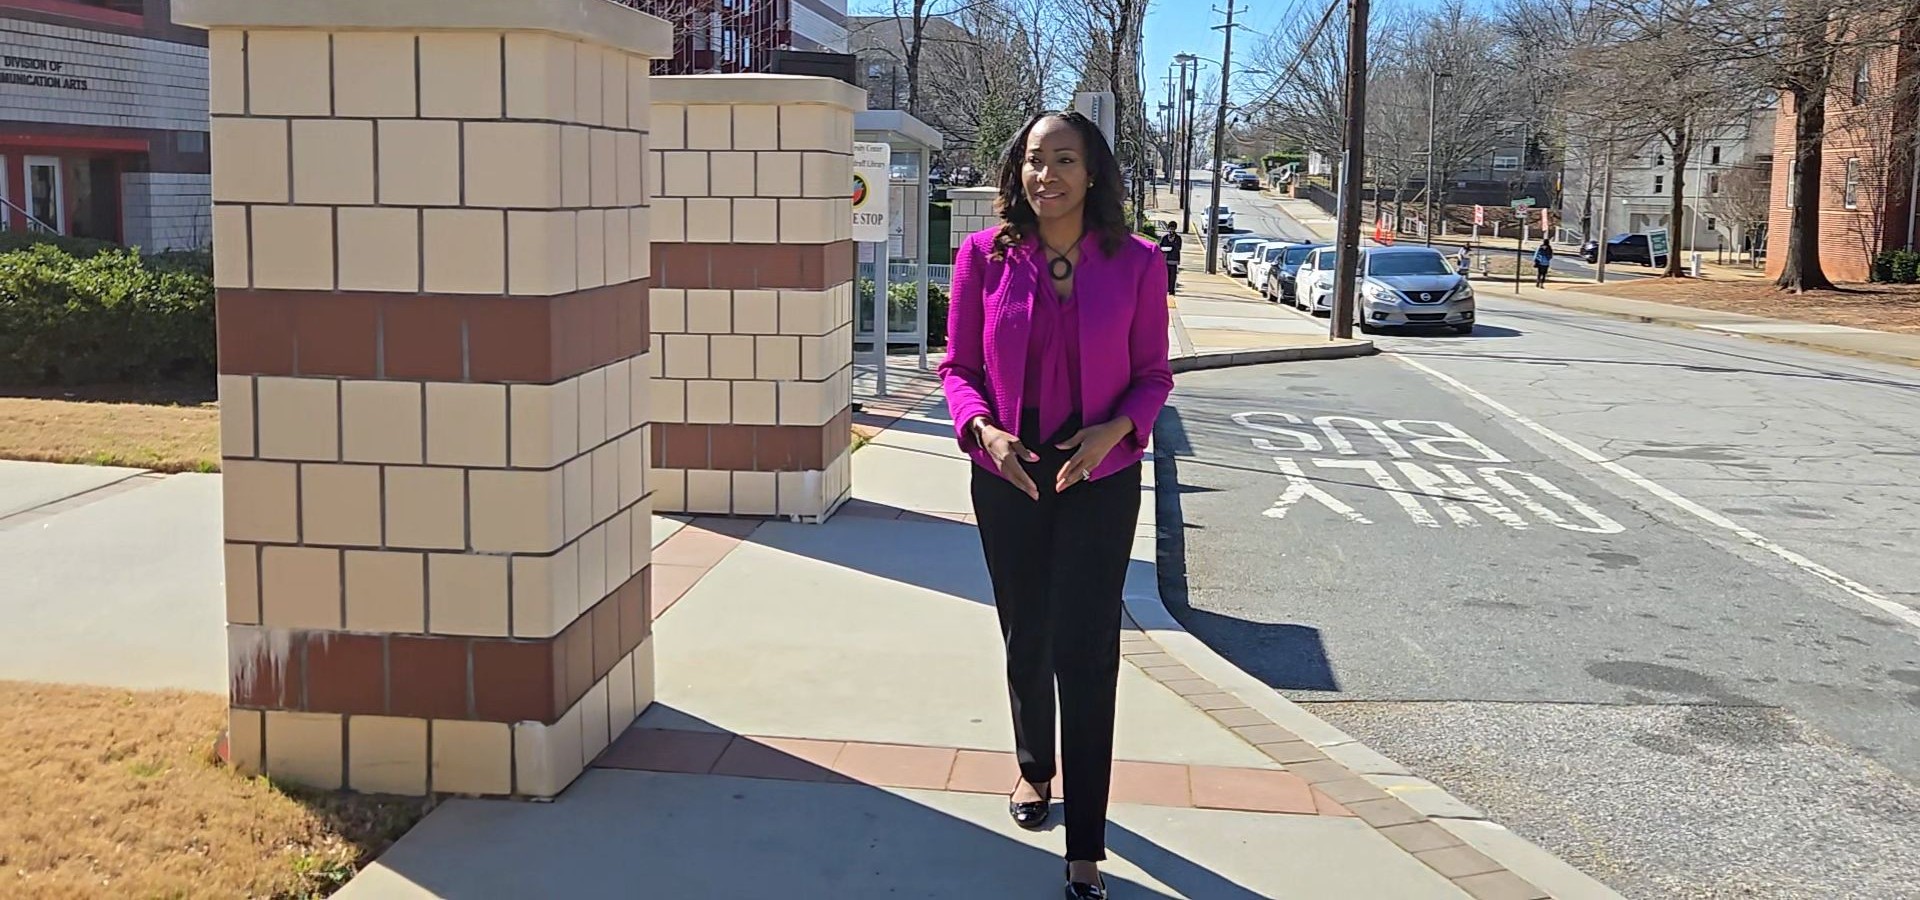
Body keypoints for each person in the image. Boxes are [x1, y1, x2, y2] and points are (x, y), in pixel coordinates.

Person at [940, 110, 1173, 900]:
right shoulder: (983, 257)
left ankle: (1086, 848)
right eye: (1035, 161)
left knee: (1088, 651)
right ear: (1018, 173)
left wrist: (1117, 431)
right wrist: (983, 433)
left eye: (1065, 160)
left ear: (1094, 173)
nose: (1048, 176)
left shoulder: (1138, 263)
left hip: (1099, 475)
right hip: (1009, 471)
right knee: (1025, 632)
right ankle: (1035, 768)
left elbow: (1153, 378)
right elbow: (959, 367)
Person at [1157, 224, 1183, 294]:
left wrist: (1173, 243)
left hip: (1174, 260)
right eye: (1170, 228)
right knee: (1166, 275)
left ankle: (1172, 289)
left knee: (1173, 276)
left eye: (1173, 228)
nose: (1171, 230)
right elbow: (1160, 247)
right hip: (1166, 259)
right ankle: (1166, 288)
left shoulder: (1178, 238)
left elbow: (1179, 248)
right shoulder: (1165, 237)